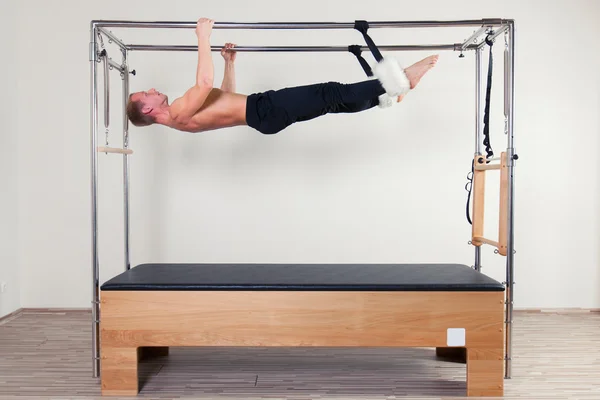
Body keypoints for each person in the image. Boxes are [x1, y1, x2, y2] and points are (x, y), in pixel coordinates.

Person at [126, 18, 438, 135]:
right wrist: (203, 37)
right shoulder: (178, 110)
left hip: (260, 113)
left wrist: (229, 63)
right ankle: (399, 81)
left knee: (331, 101)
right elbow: (204, 84)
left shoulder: (184, 116)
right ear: (148, 109)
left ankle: (385, 95)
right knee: (329, 93)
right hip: (265, 110)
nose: (151, 89)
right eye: (145, 93)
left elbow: (221, 95)